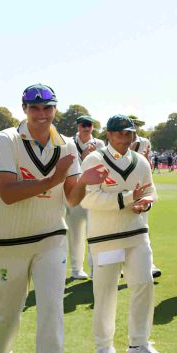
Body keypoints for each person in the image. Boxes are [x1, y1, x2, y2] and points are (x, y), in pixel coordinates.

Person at [0, 84, 106, 353]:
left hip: (52, 238)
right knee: (8, 310)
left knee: (52, 311)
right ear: (24, 109)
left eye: (47, 108)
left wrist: (87, 182)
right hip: (10, 242)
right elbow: (8, 193)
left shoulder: (66, 145)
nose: (41, 115)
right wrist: (55, 176)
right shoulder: (5, 140)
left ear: (55, 109)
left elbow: (71, 198)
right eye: (34, 108)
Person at [79, 114, 164, 353]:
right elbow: (88, 199)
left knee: (143, 285)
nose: (125, 139)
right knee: (105, 293)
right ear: (109, 134)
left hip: (137, 235)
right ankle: (104, 346)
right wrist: (128, 198)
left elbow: (150, 191)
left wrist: (145, 203)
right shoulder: (94, 160)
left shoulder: (140, 162)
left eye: (129, 134)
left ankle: (139, 343)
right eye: (120, 133)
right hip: (106, 239)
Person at [66, 115, 105, 279]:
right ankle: (76, 269)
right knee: (75, 233)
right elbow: (67, 168)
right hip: (74, 193)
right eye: (83, 124)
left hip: (93, 194)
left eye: (89, 125)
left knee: (94, 233)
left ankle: (95, 269)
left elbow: (103, 167)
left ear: (93, 127)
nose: (86, 127)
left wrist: (91, 158)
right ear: (78, 126)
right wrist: (83, 158)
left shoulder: (100, 144)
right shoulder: (69, 143)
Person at [128, 116, 162, 279]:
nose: (133, 128)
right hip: (124, 190)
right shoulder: (118, 141)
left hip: (142, 189)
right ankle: (121, 266)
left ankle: (149, 265)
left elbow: (146, 165)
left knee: (144, 228)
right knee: (124, 228)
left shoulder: (145, 142)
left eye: (135, 125)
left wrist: (146, 160)